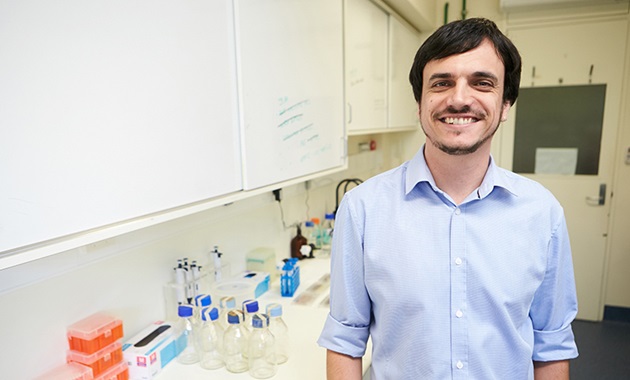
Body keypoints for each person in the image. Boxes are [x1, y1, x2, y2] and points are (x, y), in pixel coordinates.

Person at [317, 17, 578, 380]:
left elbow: (551, 346)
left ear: (505, 104)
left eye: (481, 83)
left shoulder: (542, 213)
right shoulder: (363, 209)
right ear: (420, 103)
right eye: (441, 83)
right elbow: (346, 340)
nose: (459, 99)